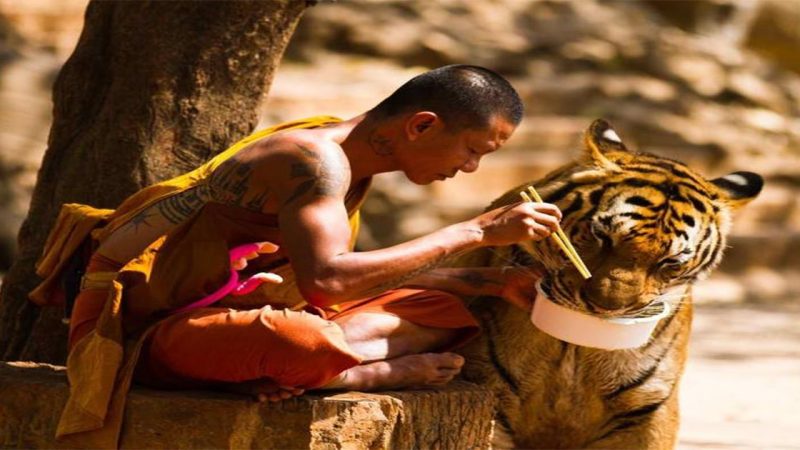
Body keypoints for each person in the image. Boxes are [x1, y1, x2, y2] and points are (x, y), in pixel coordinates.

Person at [33, 65, 561, 446]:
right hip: (149, 331)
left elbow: (337, 277)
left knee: (444, 309)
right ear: (421, 125)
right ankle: (351, 374)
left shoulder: (353, 160)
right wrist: (471, 231)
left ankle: (310, 363)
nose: (469, 168)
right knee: (296, 339)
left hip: (237, 310)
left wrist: (488, 284)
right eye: (474, 150)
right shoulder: (311, 160)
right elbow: (329, 283)